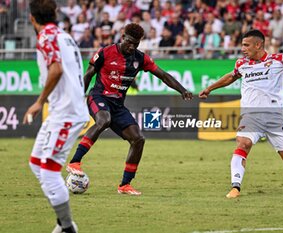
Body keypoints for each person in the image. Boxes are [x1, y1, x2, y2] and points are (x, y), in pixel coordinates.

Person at [66, 23, 193, 195]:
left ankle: (125, 185)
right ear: (123, 37)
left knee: (138, 139)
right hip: (98, 97)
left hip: (118, 105)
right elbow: (88, 74)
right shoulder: (105, 52)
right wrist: (79, 100)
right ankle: (75, 162)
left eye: (136, 44)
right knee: (104, 120)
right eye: (130, 42)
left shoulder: (140, 58)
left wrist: (182, 90)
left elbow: (163, 75)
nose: (132, 46)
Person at [199, 29, 283, 198]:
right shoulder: (241, 64)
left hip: (274, 118)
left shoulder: (278, 60)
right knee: (243, 143)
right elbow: (231, 77)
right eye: (242, 45)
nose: (243, 48)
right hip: (251, 116)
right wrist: (209, 88)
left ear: (258, 45)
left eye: (246, 45)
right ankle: (235, 187)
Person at [23, 0, 89, 232]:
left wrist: (39, 102)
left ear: (32, 18)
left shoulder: (46, 37)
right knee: (36, 164)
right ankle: (64, 223)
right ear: (55, 13)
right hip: (61, 111)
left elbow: (57, 69)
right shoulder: (64, 35)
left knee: (49, 173)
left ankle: (68, 227)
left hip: (67, 113)